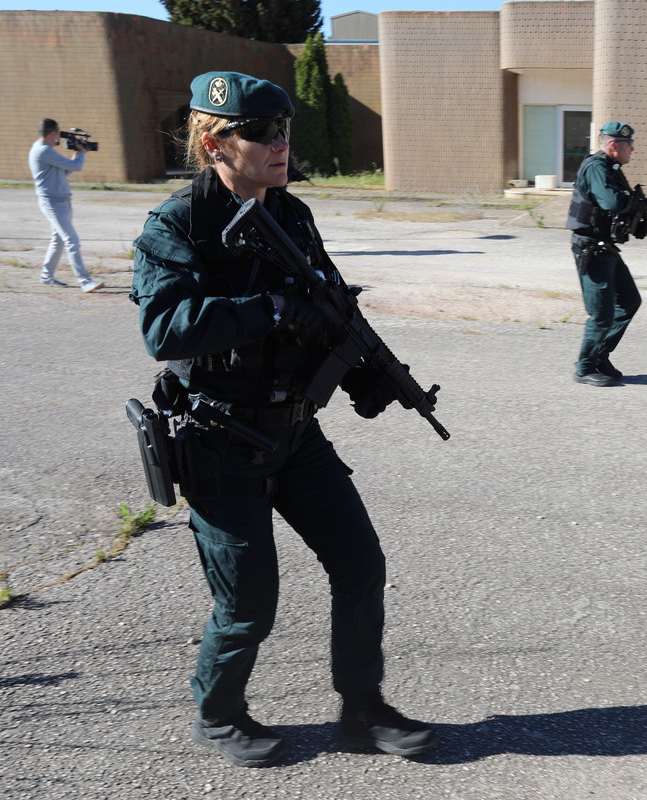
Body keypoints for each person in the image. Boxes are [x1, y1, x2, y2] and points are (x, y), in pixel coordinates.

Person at [129, 72, 434, 768]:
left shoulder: (290, 215)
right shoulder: (177, 225)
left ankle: (363, 709)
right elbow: (166, 328)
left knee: (361, 565)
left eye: (284, 128)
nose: (280, 143)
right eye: (262, 131)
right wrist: (266, 310)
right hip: (219, 442)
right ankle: (218, 711)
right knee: (249, 605)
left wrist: (365, 371)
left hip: (295, 434)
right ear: (214, 142)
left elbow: (328, 305)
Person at [566, 121, 645, 387]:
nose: (632, 149)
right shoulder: (596, 168)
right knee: (601, 313)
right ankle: (585, 367)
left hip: (605, 246)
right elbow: (611, 202)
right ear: (614, 146)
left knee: (630, 301)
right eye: (628, 145)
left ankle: (600, 355)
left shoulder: (611, 169)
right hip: (591, 249)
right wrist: (631, 203)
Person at [29, 119, 104, 292]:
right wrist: (81, 152)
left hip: (61, 200)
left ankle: (46, 276)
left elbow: (68, 169)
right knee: (72, 241)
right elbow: (76, 167)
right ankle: (85, 281)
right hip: (52, 202)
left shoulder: (45, 150)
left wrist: (78, 154)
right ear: (53, 134)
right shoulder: (43, 151)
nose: (59, 139)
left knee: (58, 241)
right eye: (58, 135)